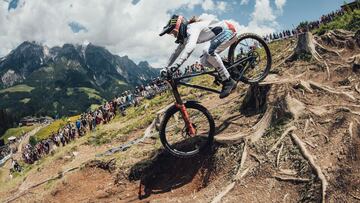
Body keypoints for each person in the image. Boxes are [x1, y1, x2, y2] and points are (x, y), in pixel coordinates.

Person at [159, 15, 238, 98]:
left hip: (228, 30)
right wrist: (165, 67)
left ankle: (228, 81)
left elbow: (191, 47)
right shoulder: (186, 36)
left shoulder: (191, 28)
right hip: (220, 35)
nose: (174, 36)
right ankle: (230, 70)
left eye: (174, 32)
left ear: (180, 26)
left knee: (208, 51)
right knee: (203, 61)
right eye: (172, 34)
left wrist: (177, 65)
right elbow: (176, 52)